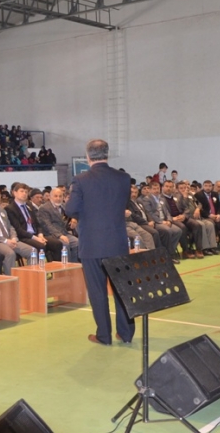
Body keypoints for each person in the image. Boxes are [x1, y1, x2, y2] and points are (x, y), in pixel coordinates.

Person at [64, 139, 135, 346]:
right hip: (117, 242)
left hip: (92, 243)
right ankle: (126, 333)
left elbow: (70, 209)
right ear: (107, 154)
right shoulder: (123, 178)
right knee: (122, 290)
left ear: (88, 156)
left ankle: (104, 335)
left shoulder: (80, 180)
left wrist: (84, 213)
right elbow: (123, 203)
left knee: (98, 292)